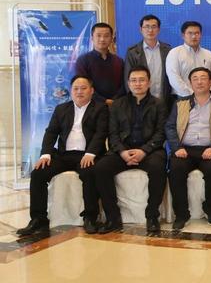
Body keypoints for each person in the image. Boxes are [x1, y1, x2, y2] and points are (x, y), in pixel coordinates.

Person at [17, 75, 108, 236]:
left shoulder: (101, 108)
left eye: (83, 88)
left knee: (90, 173)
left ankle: (90, 217)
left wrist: (91, 153)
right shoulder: (61, 109)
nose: (79, 92)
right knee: (38, 174)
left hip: (87, 154)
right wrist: (45, 154)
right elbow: (51, 132)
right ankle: (38, 219)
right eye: (75, 88)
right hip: (64, 155)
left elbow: (101, 133)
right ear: (71, 91)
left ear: (92, 91)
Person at [94, 66, 168, 233]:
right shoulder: (117, 104)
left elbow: (161, 133)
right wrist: (122, 151)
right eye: (133, 80)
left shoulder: (159, 104)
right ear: (128, 83)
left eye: (142, 80)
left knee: (158, 168)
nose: (137, 84)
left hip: (150, 151)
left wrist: (144, 150)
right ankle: (113, 218)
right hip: (123, 151)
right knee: (101, 168)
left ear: (149, 83)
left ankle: (152, 216)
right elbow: (112, 133)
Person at [165, 67, 211, 230]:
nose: (199, 82)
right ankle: (181, 214)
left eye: (203, 78)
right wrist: (176, 147)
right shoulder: (180, 103)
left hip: (210, 149)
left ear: (210, 82)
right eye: (195, 78)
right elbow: (170, 127)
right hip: (184, 149)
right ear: (190, 83)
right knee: (176, 169)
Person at [124, 14, 172, 106]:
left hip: (164, 100)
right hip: (141, 101)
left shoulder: (168, 50)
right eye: (147, 27)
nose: (150, 30)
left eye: (154, 27)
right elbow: (128, 78)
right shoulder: (133, 52)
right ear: (141, 29)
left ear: (158, 29)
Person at [166, 21, 211, 99]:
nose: (194, 36)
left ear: (201, 35)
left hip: (206, 98)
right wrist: (193, 95)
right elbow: (174, 78)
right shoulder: (174, 53)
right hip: (182, 97)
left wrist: (209, 93)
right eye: (190, 33)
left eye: (197, 33)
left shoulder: (208, 54)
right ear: (183, 35)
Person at [75, 22, 124, 105]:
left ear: (111, 38)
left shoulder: (119, 61)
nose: (102, 39)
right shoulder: (83, 60)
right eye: (98, 35)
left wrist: (115, 100)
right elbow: (83, 85)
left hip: (116, 105)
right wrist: (104, 101)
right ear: (92, 38)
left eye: (106, 36)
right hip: (92, 106)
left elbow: (124, 84)